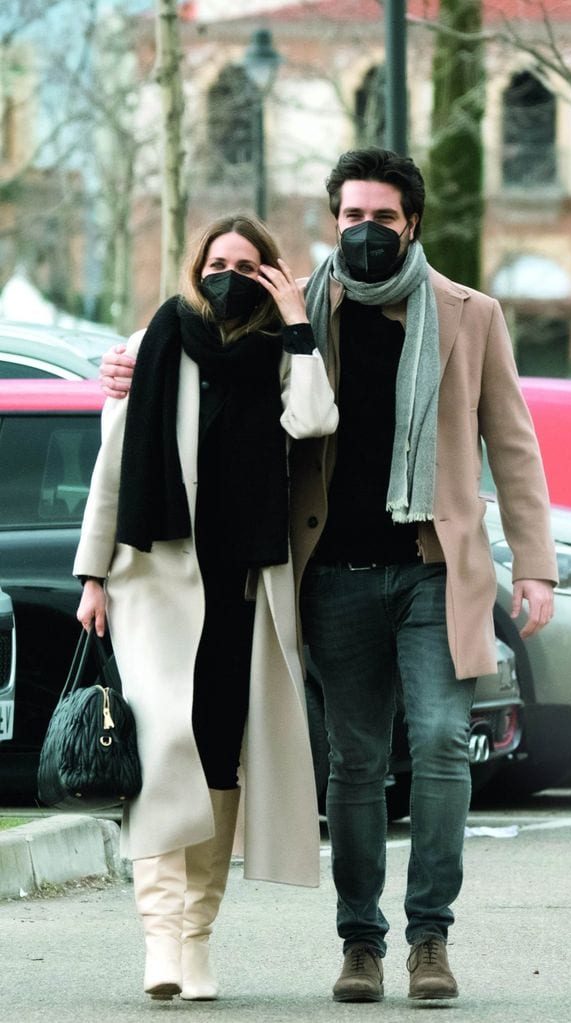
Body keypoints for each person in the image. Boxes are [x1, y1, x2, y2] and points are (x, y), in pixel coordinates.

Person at [99, 149, 558, 1004]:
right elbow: (197, 347)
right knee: (353, 760)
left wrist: (536, 565)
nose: (365, 231)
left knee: (440, 742)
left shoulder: (471, 314)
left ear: (411, 223)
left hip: (433, 568)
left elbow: (513, 443)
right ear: (334, 219)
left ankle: (429, 935)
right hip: (333, 574)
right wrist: (122, 363)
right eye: (352, 216)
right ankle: (361, 941)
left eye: (382, 217)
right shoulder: (295, 306)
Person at [74, 214, 338, 1002]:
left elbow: (315, 420)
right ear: (197, 267)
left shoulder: (282, 353)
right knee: (163, 751)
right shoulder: (156, 341)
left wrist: (295, 321)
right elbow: (113, 467)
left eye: (248, 265)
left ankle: (196, 937)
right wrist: (92, 575)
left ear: (269, 274)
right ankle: (160, 938)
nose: (230, 275)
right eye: (219, 261)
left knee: (219, 758)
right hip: (154, 581)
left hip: (242, 588)